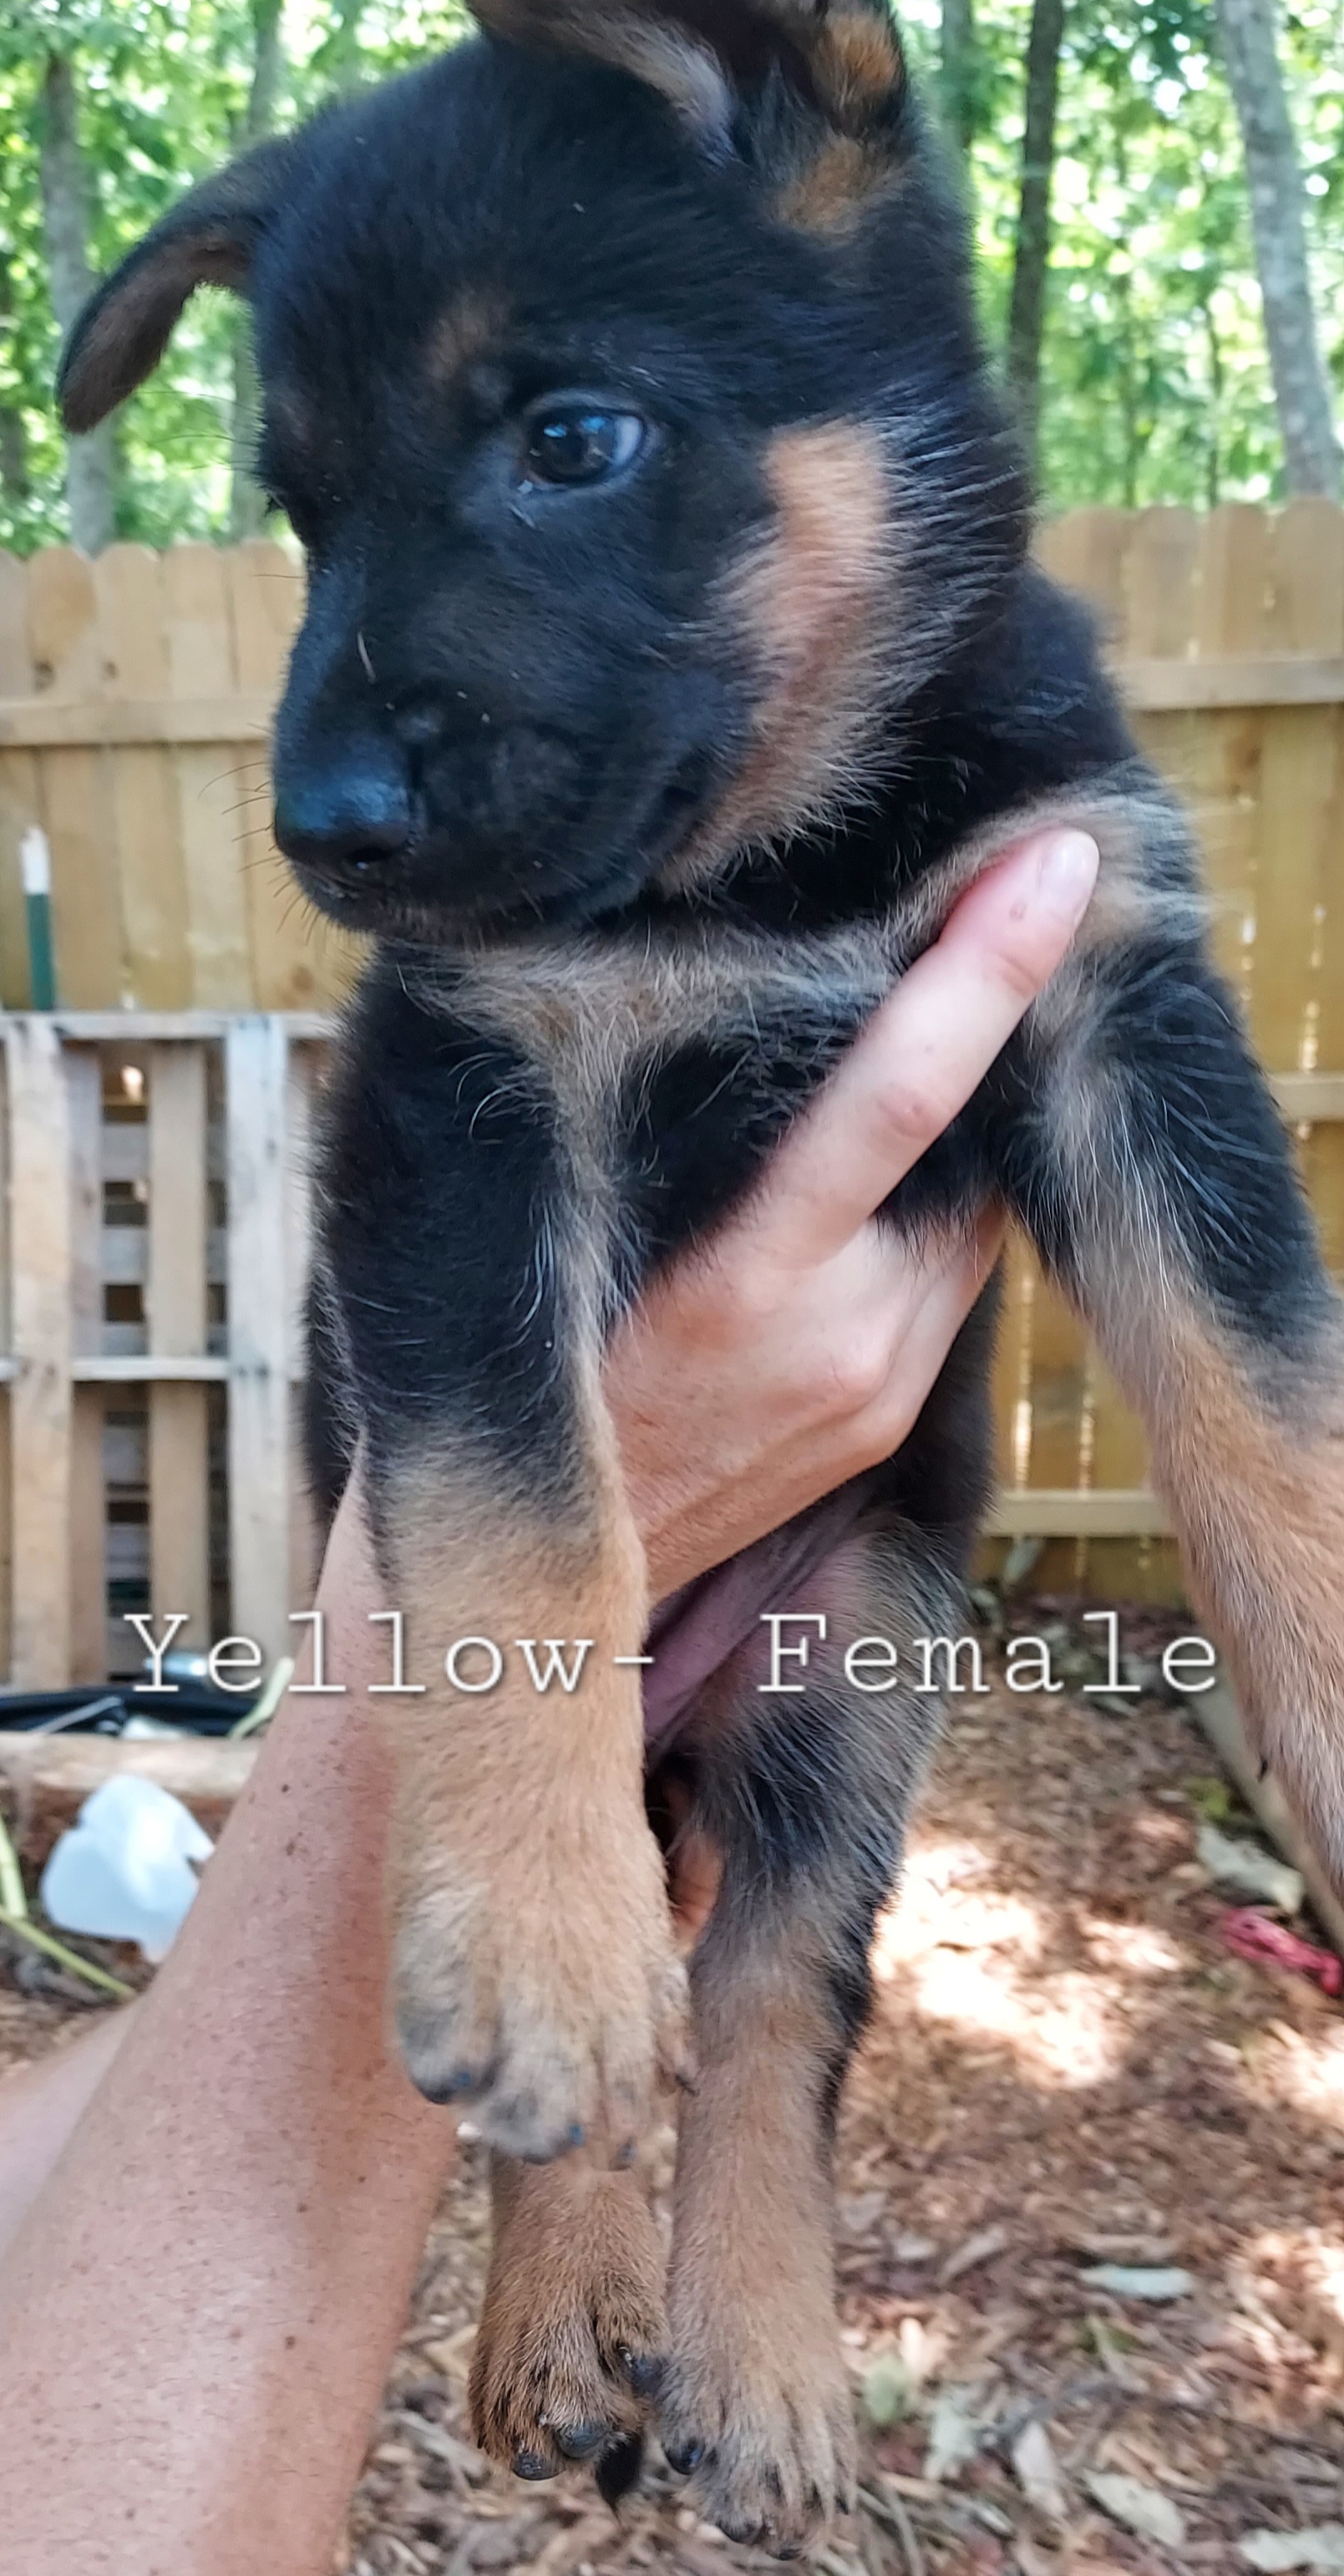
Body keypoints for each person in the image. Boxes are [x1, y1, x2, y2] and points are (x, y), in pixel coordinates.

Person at [0, 827, 1098, 2575]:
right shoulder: (493, 916)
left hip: (843, 1539)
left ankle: (751, 2225)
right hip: (473, 1520)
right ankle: (558, 2191)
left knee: (785, 1918)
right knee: (553, 1873)